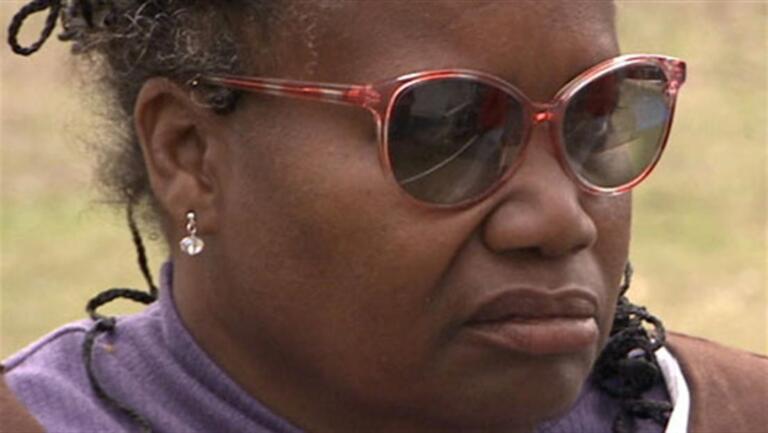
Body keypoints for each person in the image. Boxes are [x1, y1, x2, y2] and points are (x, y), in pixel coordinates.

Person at [2, 1, 766, 433]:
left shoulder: (724, 413)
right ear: (189, 153)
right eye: (446, 130)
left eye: (596, 117)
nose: (559, 220)